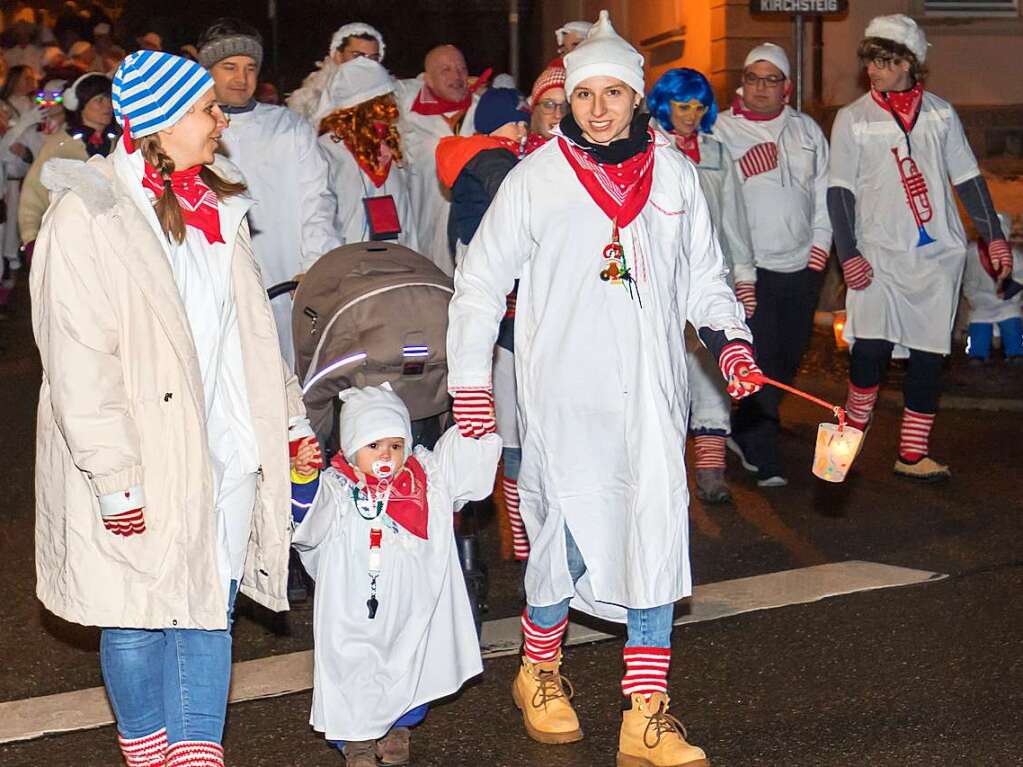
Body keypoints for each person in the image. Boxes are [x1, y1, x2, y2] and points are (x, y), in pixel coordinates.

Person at [445, 12, 761, 766]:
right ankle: (539, 669)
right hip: (564, 393)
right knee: (572, 542)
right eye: (585, 95)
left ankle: (644, 711)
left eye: (613, 93)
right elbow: (479, 283)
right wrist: (470, 385)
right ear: (569, 99)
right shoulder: (537, 177)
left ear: (635, 97)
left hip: (652, 396)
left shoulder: (675, 176)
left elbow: (704, 280)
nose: (597, 108)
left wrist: (731, 343)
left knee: (654, 537)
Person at [30, 49, 311, 767]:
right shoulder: (88, 215)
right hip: (142, 453)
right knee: (134, 617)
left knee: (207, 614)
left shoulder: (217, 207)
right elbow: (77, 359)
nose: (222, 120)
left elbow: (251, 333)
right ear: (158, 125)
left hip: (224, 447)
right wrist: (113, 475)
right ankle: (147, 748)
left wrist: (288, 422)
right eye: (206, 110)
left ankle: (195, 755)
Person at [828, 15, 1014, 480]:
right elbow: (838, 193)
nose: (875, 70)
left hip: (935, 260)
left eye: (886, 61)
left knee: (929, 355)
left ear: (911, 63)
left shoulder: (941, 114)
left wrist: (994, 239)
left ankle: (911, 453)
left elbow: (969, 179)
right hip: (876, 256)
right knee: (869, 351)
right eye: (871, 60)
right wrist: (848, 253)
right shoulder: (853, 118)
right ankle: (849, 435)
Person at [290, 384, 498, 767]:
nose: (386, 455)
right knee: (353, 671)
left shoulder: (426, 481)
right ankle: (358, 743)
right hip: (354, 613)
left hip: (409, 607)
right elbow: (307, 522)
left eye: (395, 445)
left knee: (410, 662)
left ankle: (397, 726)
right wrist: (303, 477)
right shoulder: (339, 490)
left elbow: (462, 464)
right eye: (373, 446)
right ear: (352, 450)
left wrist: (473, 426)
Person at [713, 42, 832, 487]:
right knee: (758, 358)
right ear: (741, 83)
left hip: (800, 263)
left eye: (771, 79)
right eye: (752, 78)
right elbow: (712, 195)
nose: (761, 88)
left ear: (787, 87)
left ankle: (746, 423)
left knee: (787, 356)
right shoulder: (722, 130)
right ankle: (762, 451)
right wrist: (744, 167)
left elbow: (825, 190)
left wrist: (821, 247)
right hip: (750, 268)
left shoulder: (806, 130)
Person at [198, 18, 341, 368]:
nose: (241, 78)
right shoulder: (188, 130)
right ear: (206, 72)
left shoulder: (287, 126)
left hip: (282, 278)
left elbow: (317, 201)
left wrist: (315, 267)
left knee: (282, 378)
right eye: (228, 67)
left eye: (250, 68)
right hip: (215, 283)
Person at [648, 67, 756, 504]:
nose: (690, 115)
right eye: (681, 106)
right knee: (663, 378)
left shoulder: (715, 151)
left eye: (698, 107)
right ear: (663, 105)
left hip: (710, 278)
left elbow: (735, 219)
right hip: (661, 281)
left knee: (711, 373)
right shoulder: (648, 148)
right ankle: (664, 476)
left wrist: (745, 277)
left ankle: (711, 470)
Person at [436, 88, 529, 560]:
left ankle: (515, 533)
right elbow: (523, 204)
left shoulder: (478, 157)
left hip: (497, 302)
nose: (523, 131)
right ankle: (520, 533)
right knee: (510, 432)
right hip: (503, 302)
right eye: (516, 123)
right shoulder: (493, 160)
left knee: (504, 431)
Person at [395, 44, 482, 275]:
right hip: (423, 228)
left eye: (462, 69)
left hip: (472, 233)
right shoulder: (407, 117)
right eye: (446, 70)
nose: (457, 76)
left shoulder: (482, 112)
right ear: (428, 79)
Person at [318, 57, 416, 249]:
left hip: (396, 264)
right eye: (384, 100)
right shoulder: (326, 151)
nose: (392, 106)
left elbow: (407, 221)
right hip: (348, 265)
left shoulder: (391, 151)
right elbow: (320, 217)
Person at [19, 73, 117, 252]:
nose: (107, 106)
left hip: (112, 239)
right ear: (80, 104)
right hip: (69, 238)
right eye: (99, 100)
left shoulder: (118, 144)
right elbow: (33, 193)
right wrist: (30, 238)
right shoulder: (59, 144)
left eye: (110, 99)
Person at [286, 22, 385, 122]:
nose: (366, 63)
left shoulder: (394, 96)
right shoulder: (307, 101)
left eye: (373, 58)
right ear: (337, 56)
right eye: (357, 56)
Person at [963, 213, 1022, 364]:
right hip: (981, 299)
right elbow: (969, 277)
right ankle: (977, 353)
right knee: (979, 326)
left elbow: (1020, 276)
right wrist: (973, 296)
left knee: (1012, 323)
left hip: (1006, 301)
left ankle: (1015, 352)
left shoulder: (1013, 254)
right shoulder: (973, 252)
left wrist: (1009, 293)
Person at [525, 59, 566, 154]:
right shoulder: (515, 156)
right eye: (549, 105)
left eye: (566, 106)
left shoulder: (586, 155)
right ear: (535, 109)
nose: (558, 114)